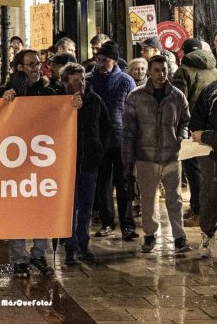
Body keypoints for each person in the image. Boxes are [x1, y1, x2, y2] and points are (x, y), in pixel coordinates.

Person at [122, 55, 191, 255]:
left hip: (172, 154)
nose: (161, 74)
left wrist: (181, 138)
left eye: (164, 70)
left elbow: (185, 120)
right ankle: (150, 234)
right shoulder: (136, 96)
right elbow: (129, 130)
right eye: (157, 70)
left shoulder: (177, 95)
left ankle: (179, 236)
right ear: (150, 72)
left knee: (175, 198)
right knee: (148, 198)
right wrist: (128, 159)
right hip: (146, 155)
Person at [0, 49, 55, 277]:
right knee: (18, 210)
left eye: (38, 63)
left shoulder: (48, 92)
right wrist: (5, 102)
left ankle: (39, 254)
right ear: (19, 68)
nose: (36, 68)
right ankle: (20, 258)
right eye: (31, 64)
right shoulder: (5, 92)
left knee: (41, 209)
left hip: (41, 160)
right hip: (15, 160)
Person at [63, 64, 112, 265]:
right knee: (70, 208)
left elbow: (106, 127)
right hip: (67, 166)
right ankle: (70, 247)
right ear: (66, 82)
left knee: (86, 207)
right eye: (75, 81)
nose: (80, 84)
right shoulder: (60, 101)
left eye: (82, 79)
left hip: (89, 163)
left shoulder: (94, 100)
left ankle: (83, 244)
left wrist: (99, 149)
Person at [88, 41, 138, 240]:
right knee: (103, 183)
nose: (101, 64)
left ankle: (127, 224)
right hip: (99, 139)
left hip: (122, 139)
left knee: (124, 182)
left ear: (115, 61)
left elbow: (134, 110)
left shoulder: (126, 81)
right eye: (99, 60)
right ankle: (107, 221)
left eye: (105, 60)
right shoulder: (89, 80)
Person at [172, 38, 217, 226]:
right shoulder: (213, 68)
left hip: (194, 125)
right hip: (211, 124)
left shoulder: (183, 70)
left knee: (193, 169)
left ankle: (198, 210)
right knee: (209, 173)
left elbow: (178, 99)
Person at [189, 78, 217, 258]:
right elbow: (196, 121)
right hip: (209, 154)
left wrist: (206, 135)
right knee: (209, 193)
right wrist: (198, 135)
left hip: (210, 142)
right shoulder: (211, 89)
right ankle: (207, 234)